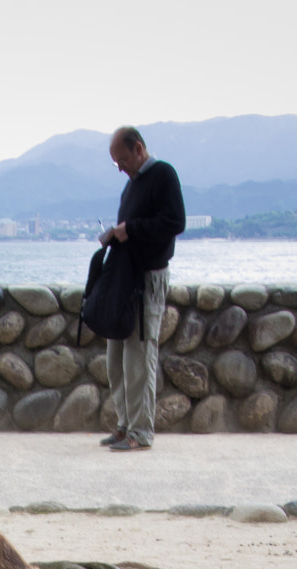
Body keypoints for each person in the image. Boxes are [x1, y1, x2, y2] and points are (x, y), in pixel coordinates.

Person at [98, 126, 185, 452]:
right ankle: (125, 425)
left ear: (138, 149)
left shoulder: (163, 175)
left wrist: (129, 230)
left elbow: (175, 222)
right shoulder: (132, 184)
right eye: (115, 162)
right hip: (127, 279)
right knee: (116, 357)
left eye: (122, 159)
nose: (120, 167)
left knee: (139, 358)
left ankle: (141, 432)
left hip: (148, 279)